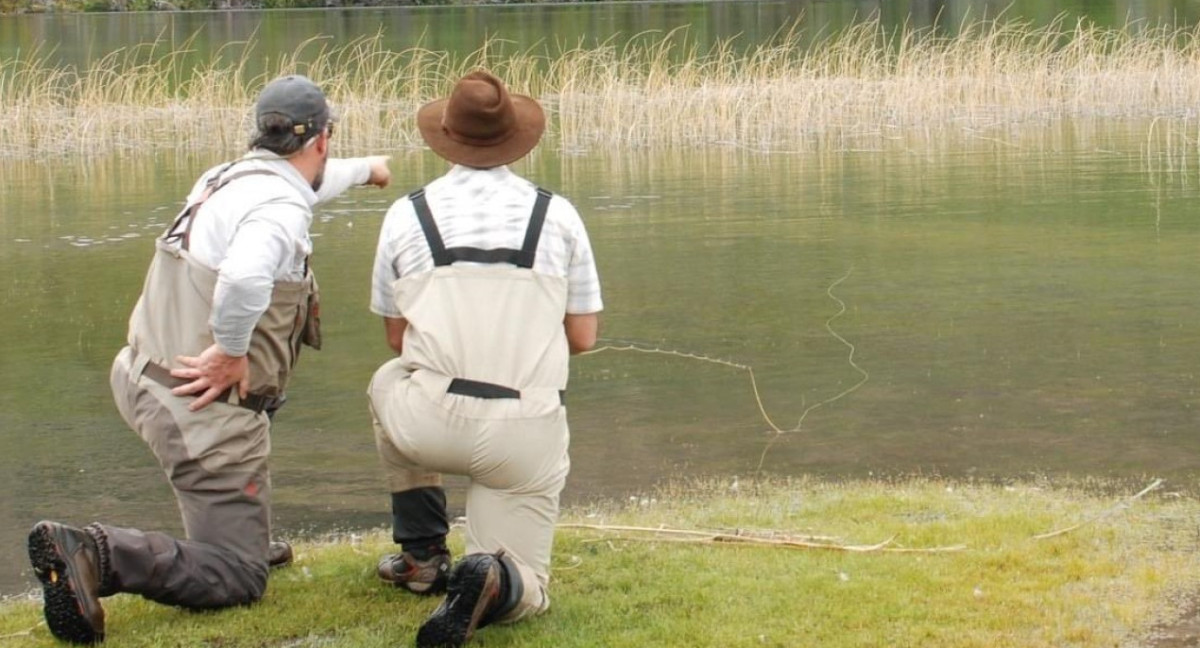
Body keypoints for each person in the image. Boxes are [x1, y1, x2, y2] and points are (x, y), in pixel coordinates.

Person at [26, 74, 392, 645]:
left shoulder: (227, 179)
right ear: (322, 138)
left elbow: (306, 187)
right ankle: (97, 552)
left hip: (144, 374)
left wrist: (367, 169)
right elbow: (246, 278)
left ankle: (236, 535)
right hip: (198, 407)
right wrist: (230, 351)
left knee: (251, 437)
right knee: (239, 578)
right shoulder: (277, 210)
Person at [367, 69, 602, 648]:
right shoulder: (559, 216)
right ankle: (493, 578)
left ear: (445, 133)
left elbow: (397, 339)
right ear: (514, 137)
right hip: (523, 433)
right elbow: (584, 337)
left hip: (429, 423)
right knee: (528, 584)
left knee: (387, 379)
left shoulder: (406, 215)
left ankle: (422, 556)